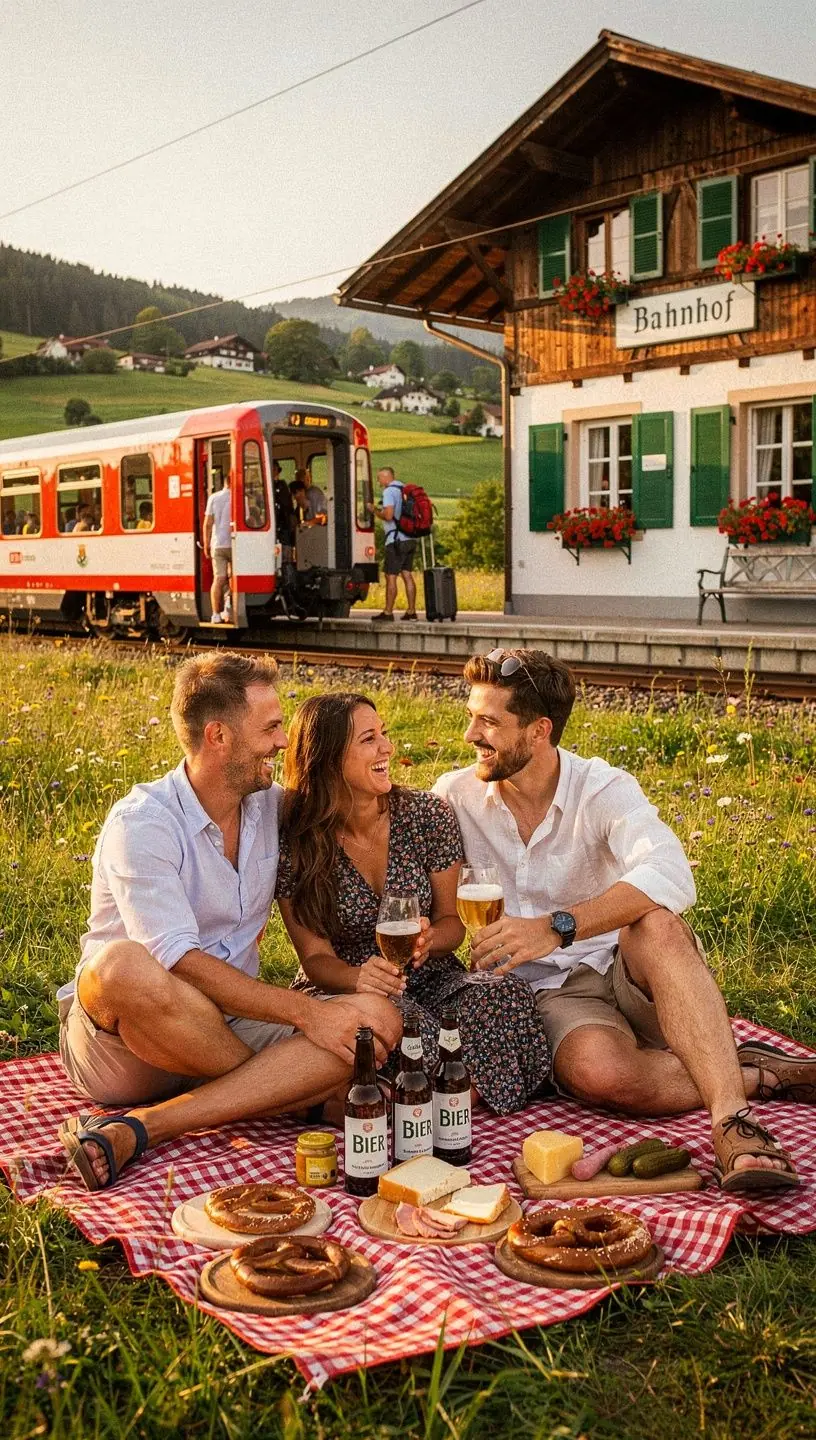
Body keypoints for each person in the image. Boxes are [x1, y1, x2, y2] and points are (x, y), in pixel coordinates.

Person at [433, 648, 816, 1192]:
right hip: (547, 993)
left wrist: (556, 926)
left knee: (656, 922)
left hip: (621, 966)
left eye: (489, 721)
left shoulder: (602, 787)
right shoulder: (455, 794)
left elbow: (671, 872)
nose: (471, 733)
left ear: (540, 731)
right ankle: (751, 1071)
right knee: (602, 1075)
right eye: (472, 715)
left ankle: (733, 1123)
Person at [56, 652, 400, 1192]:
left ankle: (147, 1126)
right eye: (270, 728)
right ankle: (286, 1095)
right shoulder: (143, 823)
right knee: (121, 965)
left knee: (375, 1020)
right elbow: (181, 966)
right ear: (218, 737)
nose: (283, 742)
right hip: (129, 1044)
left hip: (229, 1023)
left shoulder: (271, 807)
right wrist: (307, 1017)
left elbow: (345, 797)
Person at [275, 692, 550, 1114]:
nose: (387, 747)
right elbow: (314, 958)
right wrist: (358, 978)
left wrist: (430, 939)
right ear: (329, 759)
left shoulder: (426, 815)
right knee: (394, 1023)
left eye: (383, 733)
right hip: (345, 986)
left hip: (431, 976)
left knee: (501, 995)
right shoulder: (297, 841)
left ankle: (394, 1097)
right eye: (369, 739)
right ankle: (444, 1092)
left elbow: (451, 923)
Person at [368, 466, 417, 622]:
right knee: (407, 575)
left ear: (386, 477)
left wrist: (374, 510)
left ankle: (388, 612)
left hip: (395, 540)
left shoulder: (389, 491)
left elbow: (388, 515)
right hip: (410, 538)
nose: (378, 481)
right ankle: (411, 611)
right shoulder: (404, 489)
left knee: (391, 576)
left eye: (379, 478)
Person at [203, 474, 232, 623]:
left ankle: (215, 614)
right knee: (232, 577)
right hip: (234, 544)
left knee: (219, 578)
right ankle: (228, 609)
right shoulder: (241, 498)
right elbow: (249, 519)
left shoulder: (213, 498)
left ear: (225, 482)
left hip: (218, 544)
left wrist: (206, 544)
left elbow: (207, 523)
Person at [272, 460, 295, 548]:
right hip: (273, 523)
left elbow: (287, 504)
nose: (274, 472)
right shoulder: (267, 486)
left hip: (284, 522)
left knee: (285, 546)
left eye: (275, 469)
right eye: (272, 469)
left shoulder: (282, 485)